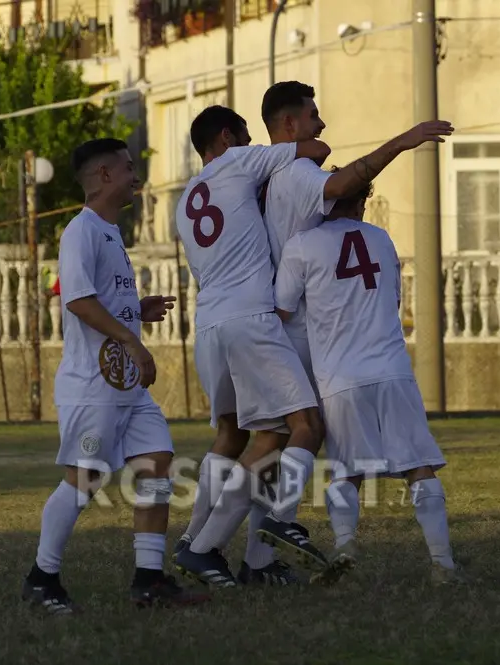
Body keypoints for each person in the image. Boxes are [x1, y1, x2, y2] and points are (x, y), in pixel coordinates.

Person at [175, 83, 456, 585]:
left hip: (216, 320)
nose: (321, 124)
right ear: (287, 124)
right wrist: (403, 141)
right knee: (297, 431)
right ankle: (228, 539)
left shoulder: (210, 191)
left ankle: (239, 554)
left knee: (254, 438)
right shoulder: (288, 169)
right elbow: (340, 176)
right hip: (282, 327)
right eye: (312, 114)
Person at [21, 137, 211, 614]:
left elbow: (100, 300)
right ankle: (41, 578)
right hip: (93, 386)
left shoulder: (109, 232)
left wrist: (135, 311)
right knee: (83, 480)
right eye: (128, 168)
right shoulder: (81, 231)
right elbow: (78, 301)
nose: (135, 176)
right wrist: (132, 340)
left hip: (125, 388)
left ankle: (148, 580)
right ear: (105, 175)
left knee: (157, 461)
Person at [273, 169, 469, 587]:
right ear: (361, 201)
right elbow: (392, 299)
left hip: (339, 377)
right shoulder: (381, 239)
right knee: (418, 466)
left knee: (346, 470)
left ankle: (345, 545)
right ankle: (442, 563)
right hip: (392, 368)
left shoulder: (302, 245)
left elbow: (283, 310)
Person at [171, 105, 334, 588]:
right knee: (298, 427)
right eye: (244, 135)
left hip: (209, 325)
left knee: (233, 436)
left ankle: (197, 539)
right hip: (250, 320)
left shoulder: (185, 199)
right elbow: (316, 149)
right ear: (226, 137)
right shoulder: (239, 161)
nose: (250, 142)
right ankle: (208, 548)